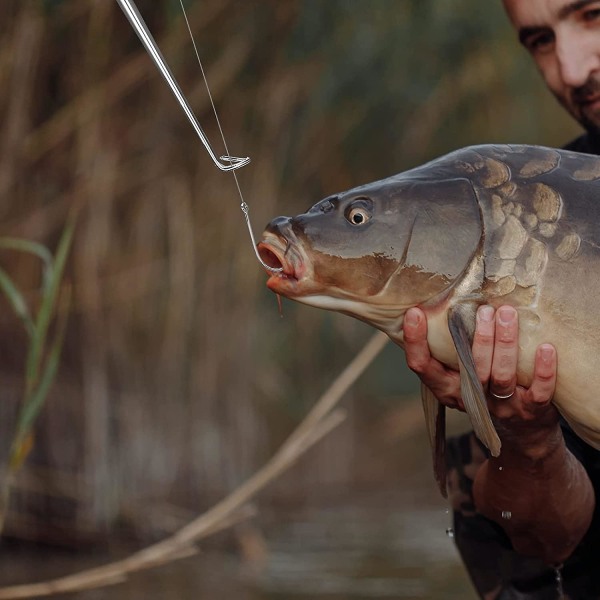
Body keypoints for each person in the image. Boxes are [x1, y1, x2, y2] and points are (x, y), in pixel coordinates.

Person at [404, 1, 600, 597]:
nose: (570, 68)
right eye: (539, 40)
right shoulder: (531, 224)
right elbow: (551, 545)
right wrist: (528, 443)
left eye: (592, 15)